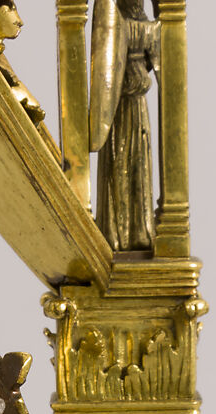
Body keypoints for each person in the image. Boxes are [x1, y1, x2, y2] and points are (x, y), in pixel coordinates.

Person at [90, 0, 161, 251]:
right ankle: (116, 232)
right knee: (119, 163)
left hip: (135, 105)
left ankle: (139, 231)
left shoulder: (145, 27)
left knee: (136, 163)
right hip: (118, 110)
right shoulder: (126, 23)